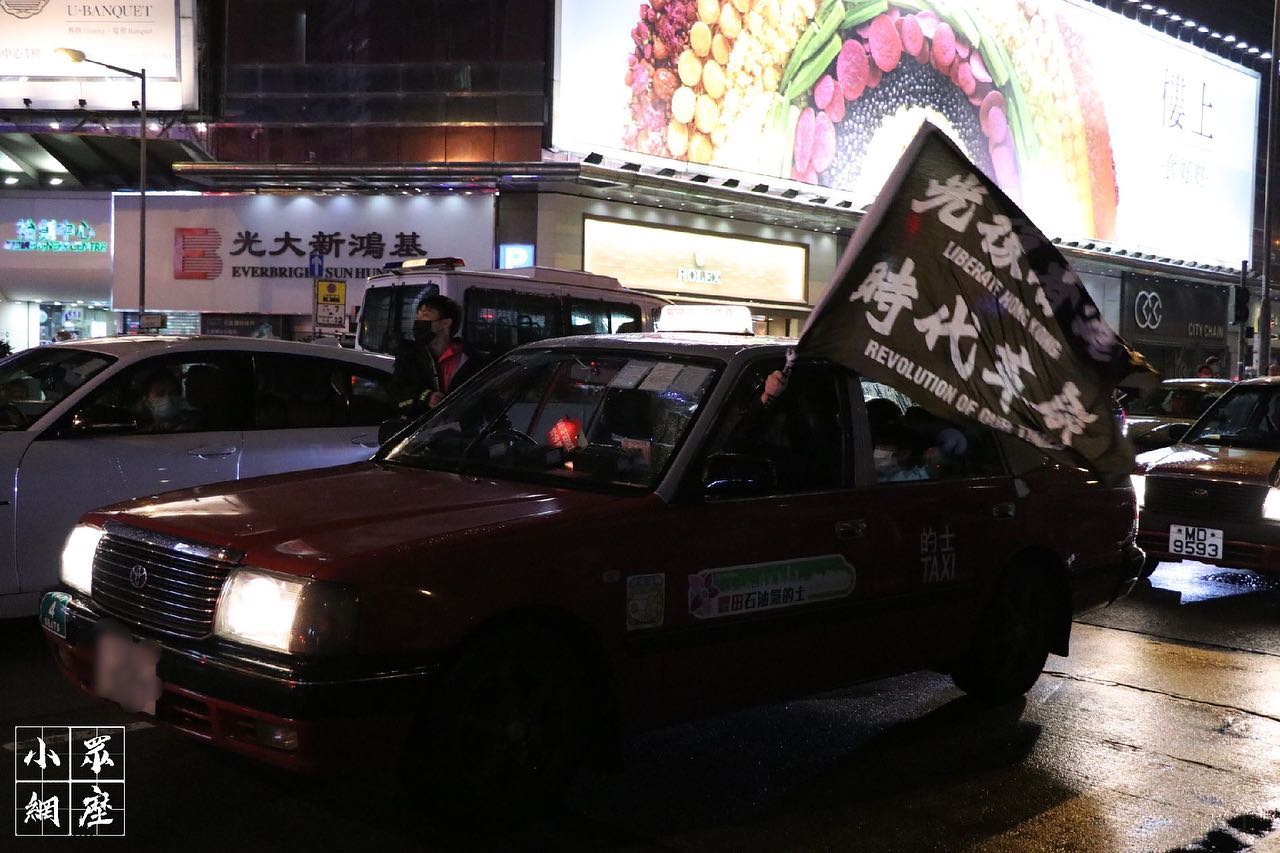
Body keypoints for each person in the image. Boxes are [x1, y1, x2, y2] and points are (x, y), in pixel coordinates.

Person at [390, 294, 478, 417]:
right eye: (417, 316)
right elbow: (396, 399)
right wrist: (426, 397)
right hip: (424, 428)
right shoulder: (409, 356)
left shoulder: (469, 359)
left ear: (445, 323)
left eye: (425, 316)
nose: (418, 322)